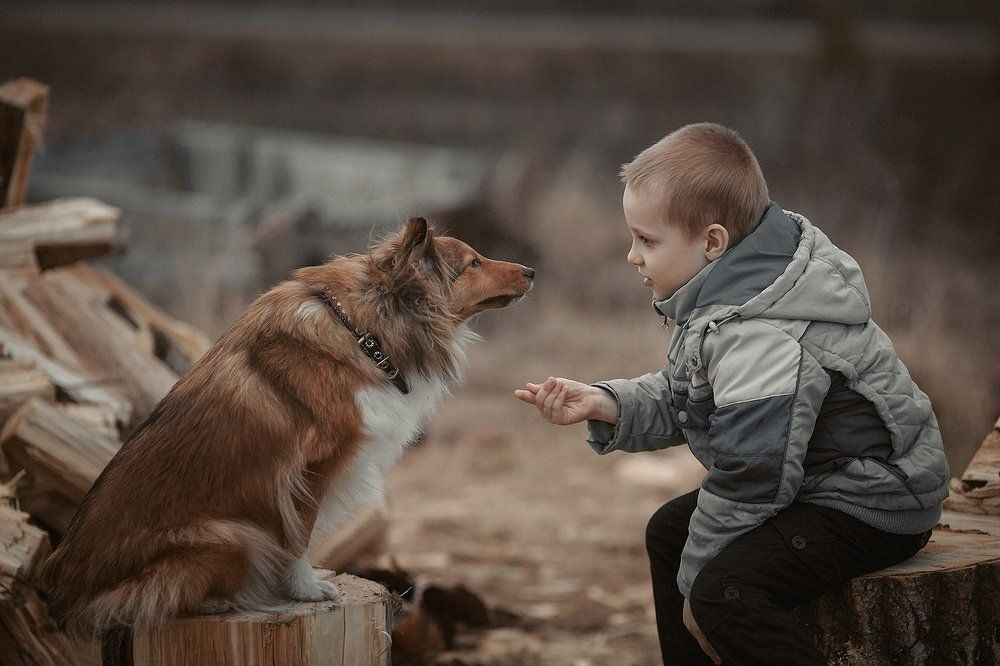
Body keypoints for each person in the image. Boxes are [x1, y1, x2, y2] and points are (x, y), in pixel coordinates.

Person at [514, 122, 949, 665]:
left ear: (712, 242)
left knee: (721, 596)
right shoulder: (735, 295)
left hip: (871, 502)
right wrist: (606, 402)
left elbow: (753, 475)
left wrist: (698, 592)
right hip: (819, 479)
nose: (632, 256)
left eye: (647, 240)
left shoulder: (762, 333)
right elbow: (692, 397)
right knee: (669, 533)